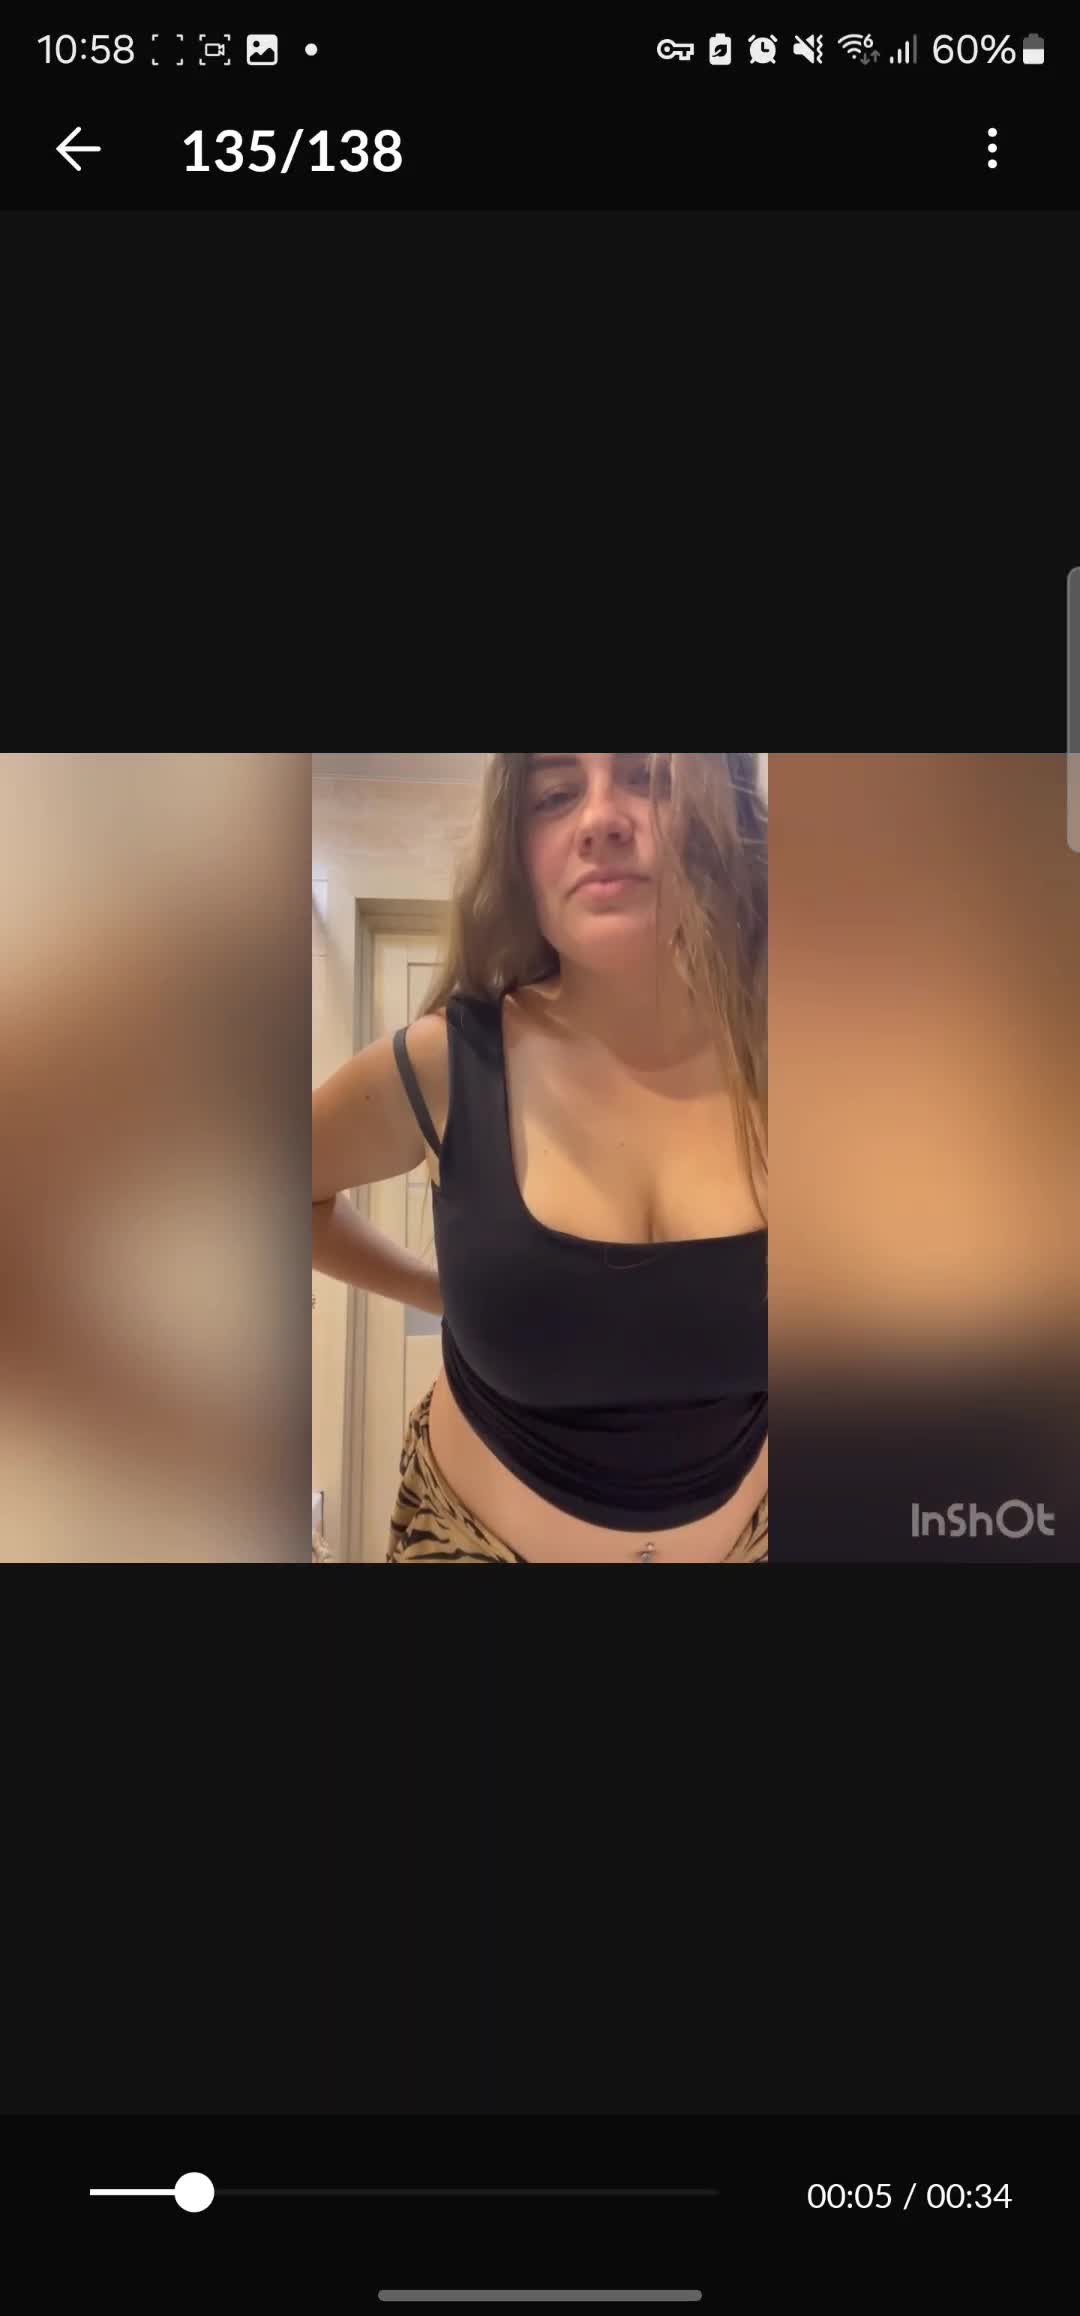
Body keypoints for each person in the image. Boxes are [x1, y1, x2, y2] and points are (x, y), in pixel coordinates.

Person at [312, 752, 767, 1562]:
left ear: (727, 815)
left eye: (649, 778)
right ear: (516, 852)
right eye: (555, 794)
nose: (600, 819)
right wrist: (434, 1289)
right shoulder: (446, 1065)